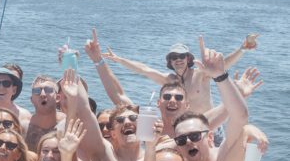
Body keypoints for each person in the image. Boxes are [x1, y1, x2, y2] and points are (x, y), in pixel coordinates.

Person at [103, 35, 258, 113]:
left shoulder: (201, 74)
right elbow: (143, 69)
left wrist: (242, 49)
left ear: (188, 58)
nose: (178, 60)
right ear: (170, 62)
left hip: (209, 125)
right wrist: (119, 59)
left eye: (181, 56)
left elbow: (224, 64)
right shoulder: (169, 80)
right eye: (174, 57)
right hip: (184, 128)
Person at [24, 75, 65, 152]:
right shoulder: (23, 128)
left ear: (58, 98)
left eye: (48, 90)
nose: (42, 94)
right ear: (31, 100)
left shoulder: (67, 125)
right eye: (36, 91)